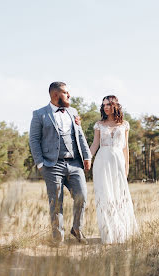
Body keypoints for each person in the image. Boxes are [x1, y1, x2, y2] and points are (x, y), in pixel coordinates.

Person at [29, 82, 92, 246]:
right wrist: (40, 164)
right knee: (56, 202)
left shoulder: (73, 112)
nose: (69, 96)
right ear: (55, 95)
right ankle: (58, 238)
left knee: (82, 197)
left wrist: (87, 156)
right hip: (52, 165)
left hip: (75, 163)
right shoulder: (39, 114)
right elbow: (34, 140)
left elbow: (80, 135)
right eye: (66, 93)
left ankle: (77, 229)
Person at [89, 95, 138, 244]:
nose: (106, 107)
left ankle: (123, 233)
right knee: (105, 196)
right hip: (102, 162)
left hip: (118, 161)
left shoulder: (124, 125)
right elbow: (95, 145)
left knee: (120, 196)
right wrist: (87, 159)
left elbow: (125, 148)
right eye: (104, 105)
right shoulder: (99, 124)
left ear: (115, 105)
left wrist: (127, 166)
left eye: (109, 104)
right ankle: (109, 234)